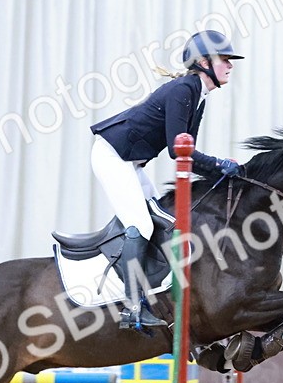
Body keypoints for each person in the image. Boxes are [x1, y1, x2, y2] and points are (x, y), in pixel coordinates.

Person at [89, 30, 245, 329]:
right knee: (143, 224)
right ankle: (132, 307)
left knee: (160, 218)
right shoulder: (183, 89)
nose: (230, 65)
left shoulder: (198, 94)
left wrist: (222, 171)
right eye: (224, 59)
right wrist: (219, 164)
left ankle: (151, 290)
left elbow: (188, 151)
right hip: (112, 156)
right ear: (203, 62)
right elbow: (177, 149)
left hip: (127, 161)